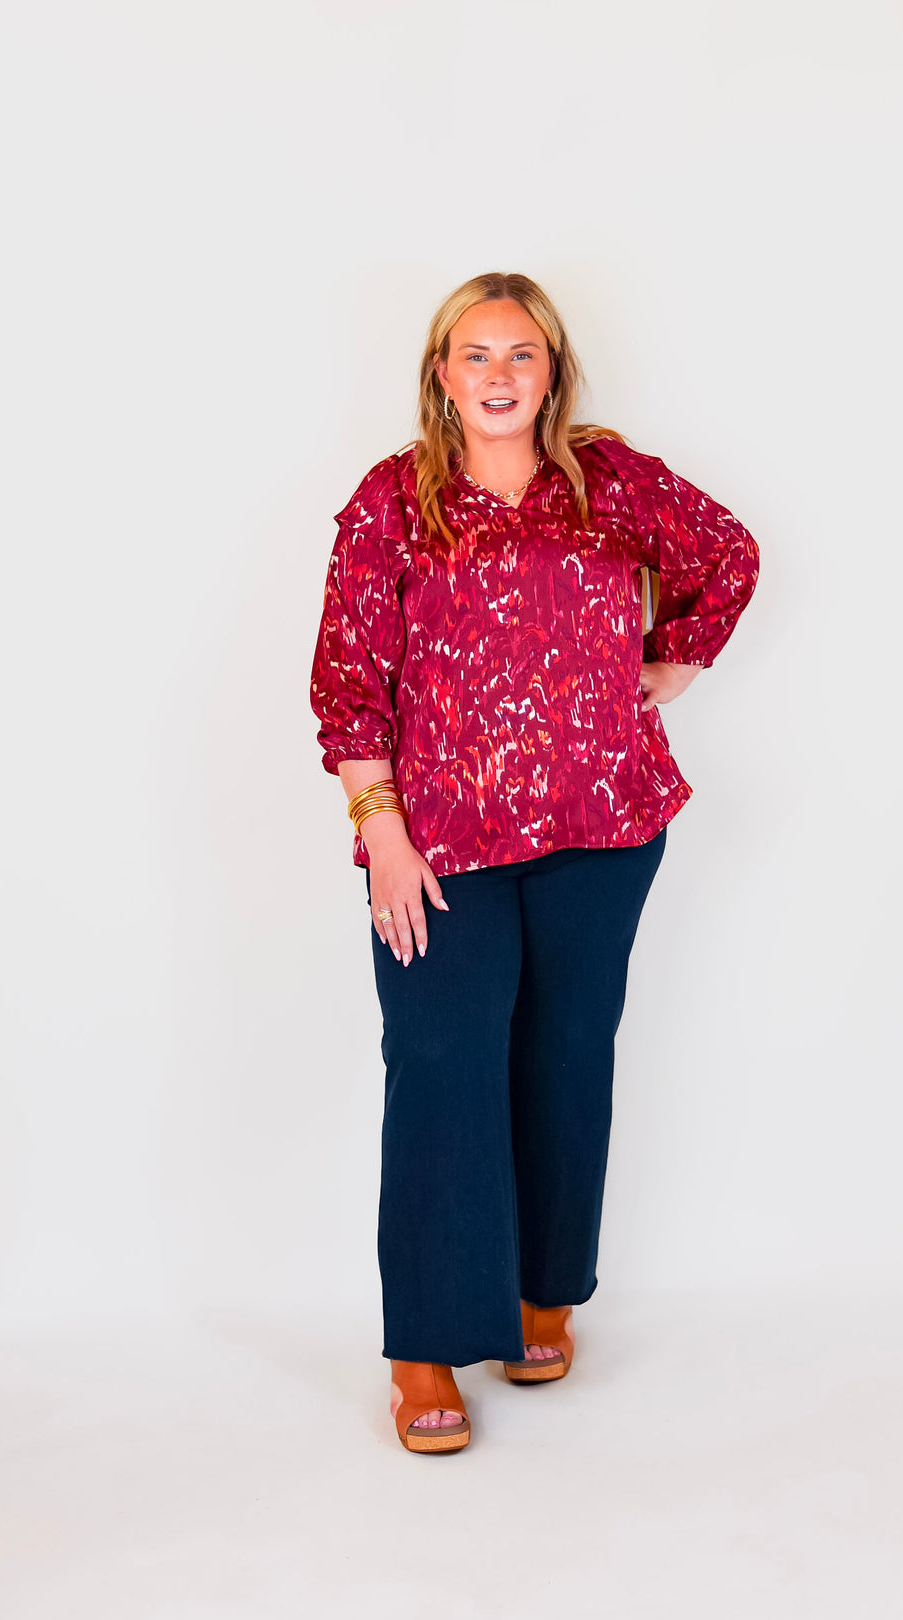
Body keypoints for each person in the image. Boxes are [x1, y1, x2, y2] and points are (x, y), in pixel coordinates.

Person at [308, 270, 760, 1454]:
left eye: (521, 355)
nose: (499, 376)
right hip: (441, 846)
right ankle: (422, 1351)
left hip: (604, 827)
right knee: (444, 1063)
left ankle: (540, 1291)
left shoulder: (611, 483)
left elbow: (729, 552)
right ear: (441, 374)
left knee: (565, 1056)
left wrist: (673, 661)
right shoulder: (394, 500)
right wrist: (382, 832)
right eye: (476, 355)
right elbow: (348, 683)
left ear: (550, 370)